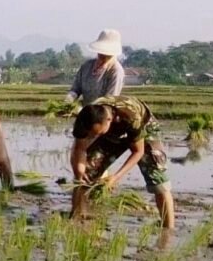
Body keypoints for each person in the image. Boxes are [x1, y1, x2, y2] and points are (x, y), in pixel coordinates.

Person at [70, 95, 175, 228]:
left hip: (144, 128)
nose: (93, 137)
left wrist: (115, 177)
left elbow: (138, 151)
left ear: (109, 120)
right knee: (87, 171)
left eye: (97, 134)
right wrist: (79, 172)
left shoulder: (131, 117)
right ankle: (78, 214)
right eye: (92, 134)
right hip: (111, 133)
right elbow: (79, 148)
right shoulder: (86, 117)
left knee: (156, 177)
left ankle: (168, 229)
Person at [67, 29, 125, 106]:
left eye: (107, 54)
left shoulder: (116, 71)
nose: (103, 55)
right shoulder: (87, 66)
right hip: (86, 112)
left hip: (105, 113)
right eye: (101, 52)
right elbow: (75, 89)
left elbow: (109, 101)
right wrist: (68, 100)